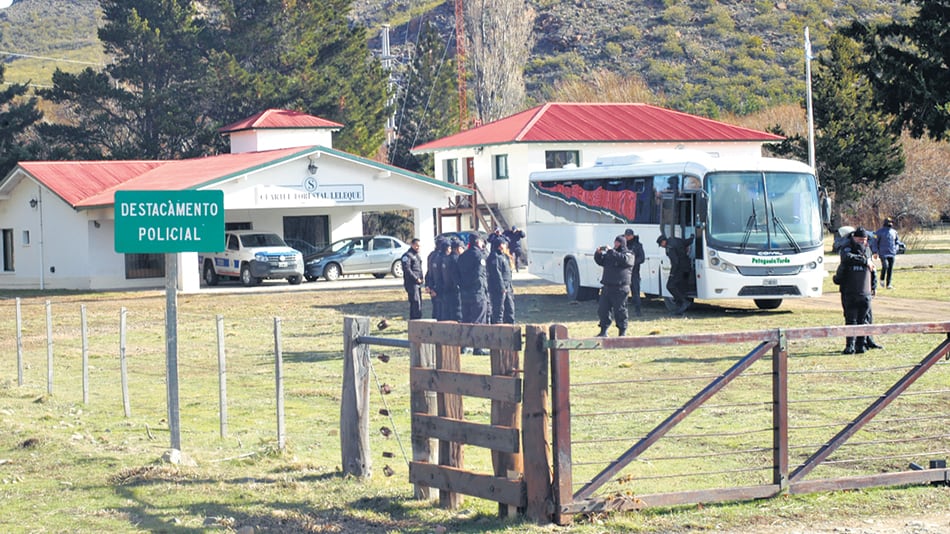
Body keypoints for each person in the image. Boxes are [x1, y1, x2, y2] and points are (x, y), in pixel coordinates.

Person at [834, 227, 876, 354]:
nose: (863, 242)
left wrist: (873, 287)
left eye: (864, 240)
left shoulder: (865, 251)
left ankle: (857, 346)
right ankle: (855, 346)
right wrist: (865, 261)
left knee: (856, 320)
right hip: (856, 292)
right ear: (854, 238)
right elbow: (848, 258)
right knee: (856, 320)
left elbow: (873, 270)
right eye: (860, 240)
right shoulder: (848, 250)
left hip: (857, 292)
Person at [594, 235, 637, 337]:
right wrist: (598, 254)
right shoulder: (611, 254)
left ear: (622, 243)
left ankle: (622, 332)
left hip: (620, 288)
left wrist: (611, 252)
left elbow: (624, 260)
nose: (615, 244)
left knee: (620, 311)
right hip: (607, 287)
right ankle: (603, 331)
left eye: (618, 243)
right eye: (615, 242)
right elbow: (601, 261)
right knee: (603, 310)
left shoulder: (628, 254)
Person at [458, 234, 491, 354]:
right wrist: (483, 289)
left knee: (466, 319)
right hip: (477, 292)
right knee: (479, 320)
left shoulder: (463, 256)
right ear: (478, 242)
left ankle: (465, 346)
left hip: (464, 293)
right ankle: (479, 347)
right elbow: (480, 275)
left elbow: (457, 275)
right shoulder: (479, 255)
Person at [657, 233, 694, 315]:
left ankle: (683, 302)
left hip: (679, 269)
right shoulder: (676, 240)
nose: (662, 246)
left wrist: (672, 274)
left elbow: (675, 262)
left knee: (670, 286)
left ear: (663, 241)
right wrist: (692, 236)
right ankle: (680, 307)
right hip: (687, 267)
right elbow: (687, 242)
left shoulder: (669, 247)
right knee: (680, 287)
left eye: (661, 244)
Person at [487, 236, 515, 324]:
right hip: (499, 289)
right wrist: (502, 287)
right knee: (499, 310)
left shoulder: (503, 256)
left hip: (508, 287)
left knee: (510, 309)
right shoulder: (494, 256)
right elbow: (496, 273)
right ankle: (498, 327)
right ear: (499, 245)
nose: (505, 246)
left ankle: (511, 326)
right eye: (503, 244)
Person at [438, 239, 464, 322]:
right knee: (457, 314)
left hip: (446, 289)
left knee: (447, 314)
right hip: (455, 290)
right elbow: (457, 275)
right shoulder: (457, 259)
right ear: (458, 248)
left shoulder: (445, 258)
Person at [872, 217, 901, 289]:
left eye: (891, 222)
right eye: (889, 222)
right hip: (883, 253)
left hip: (892, 253)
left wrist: (896, 249)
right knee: (885, 266)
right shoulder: (878, 232)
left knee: (890, 268)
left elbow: (897, 242)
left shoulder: (894, 232)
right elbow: (875, 242)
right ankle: (882, 279)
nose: (890, 223)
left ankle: (889, 284)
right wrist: (875, 252)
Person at [623, 228, 646, 317]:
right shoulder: (623, 244)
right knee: (623, 292)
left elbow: (642, 258)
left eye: (629, 235)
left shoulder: (638, 245)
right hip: (624, 272)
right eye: (626, 235)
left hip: (634, 271)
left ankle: (638, 310)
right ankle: (623, 310)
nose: (627, 237)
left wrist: (632, 262)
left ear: (632, 235)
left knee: (636, 291)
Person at [401, 238, 425, 320]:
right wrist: (416, 278)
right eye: (416, 246)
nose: (418, 248)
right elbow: (407, 269)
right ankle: (415, 319)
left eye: (419, 246)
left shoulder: (416, 255)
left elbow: (418, 268)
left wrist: (421, 278)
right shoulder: (407, 256)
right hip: (411, 283)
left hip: (417, 283)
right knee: (415, 302)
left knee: (418, 302)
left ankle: (416, 319)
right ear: (412, 245)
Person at [425, 237, 448, 320]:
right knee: (441, 311)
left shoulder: (431, 255)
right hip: (439, 287)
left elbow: (429, 272)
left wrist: (428, 285)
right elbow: (439, 274)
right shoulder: (441, 257)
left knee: (435, 309)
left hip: (433, 286)